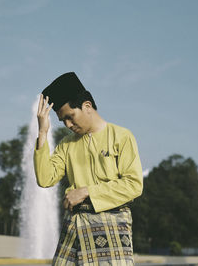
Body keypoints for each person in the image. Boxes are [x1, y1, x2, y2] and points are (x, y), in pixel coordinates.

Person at [34, 72, 143, 265]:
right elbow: (45, 178)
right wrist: (42, 132)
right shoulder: (67, 144)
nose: (68, 125)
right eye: (63, 121)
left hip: (112, 226)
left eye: (70, 117)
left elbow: (133, 185)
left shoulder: (121, 136)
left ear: (87, 106)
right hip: (75, 224)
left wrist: (86, 192)